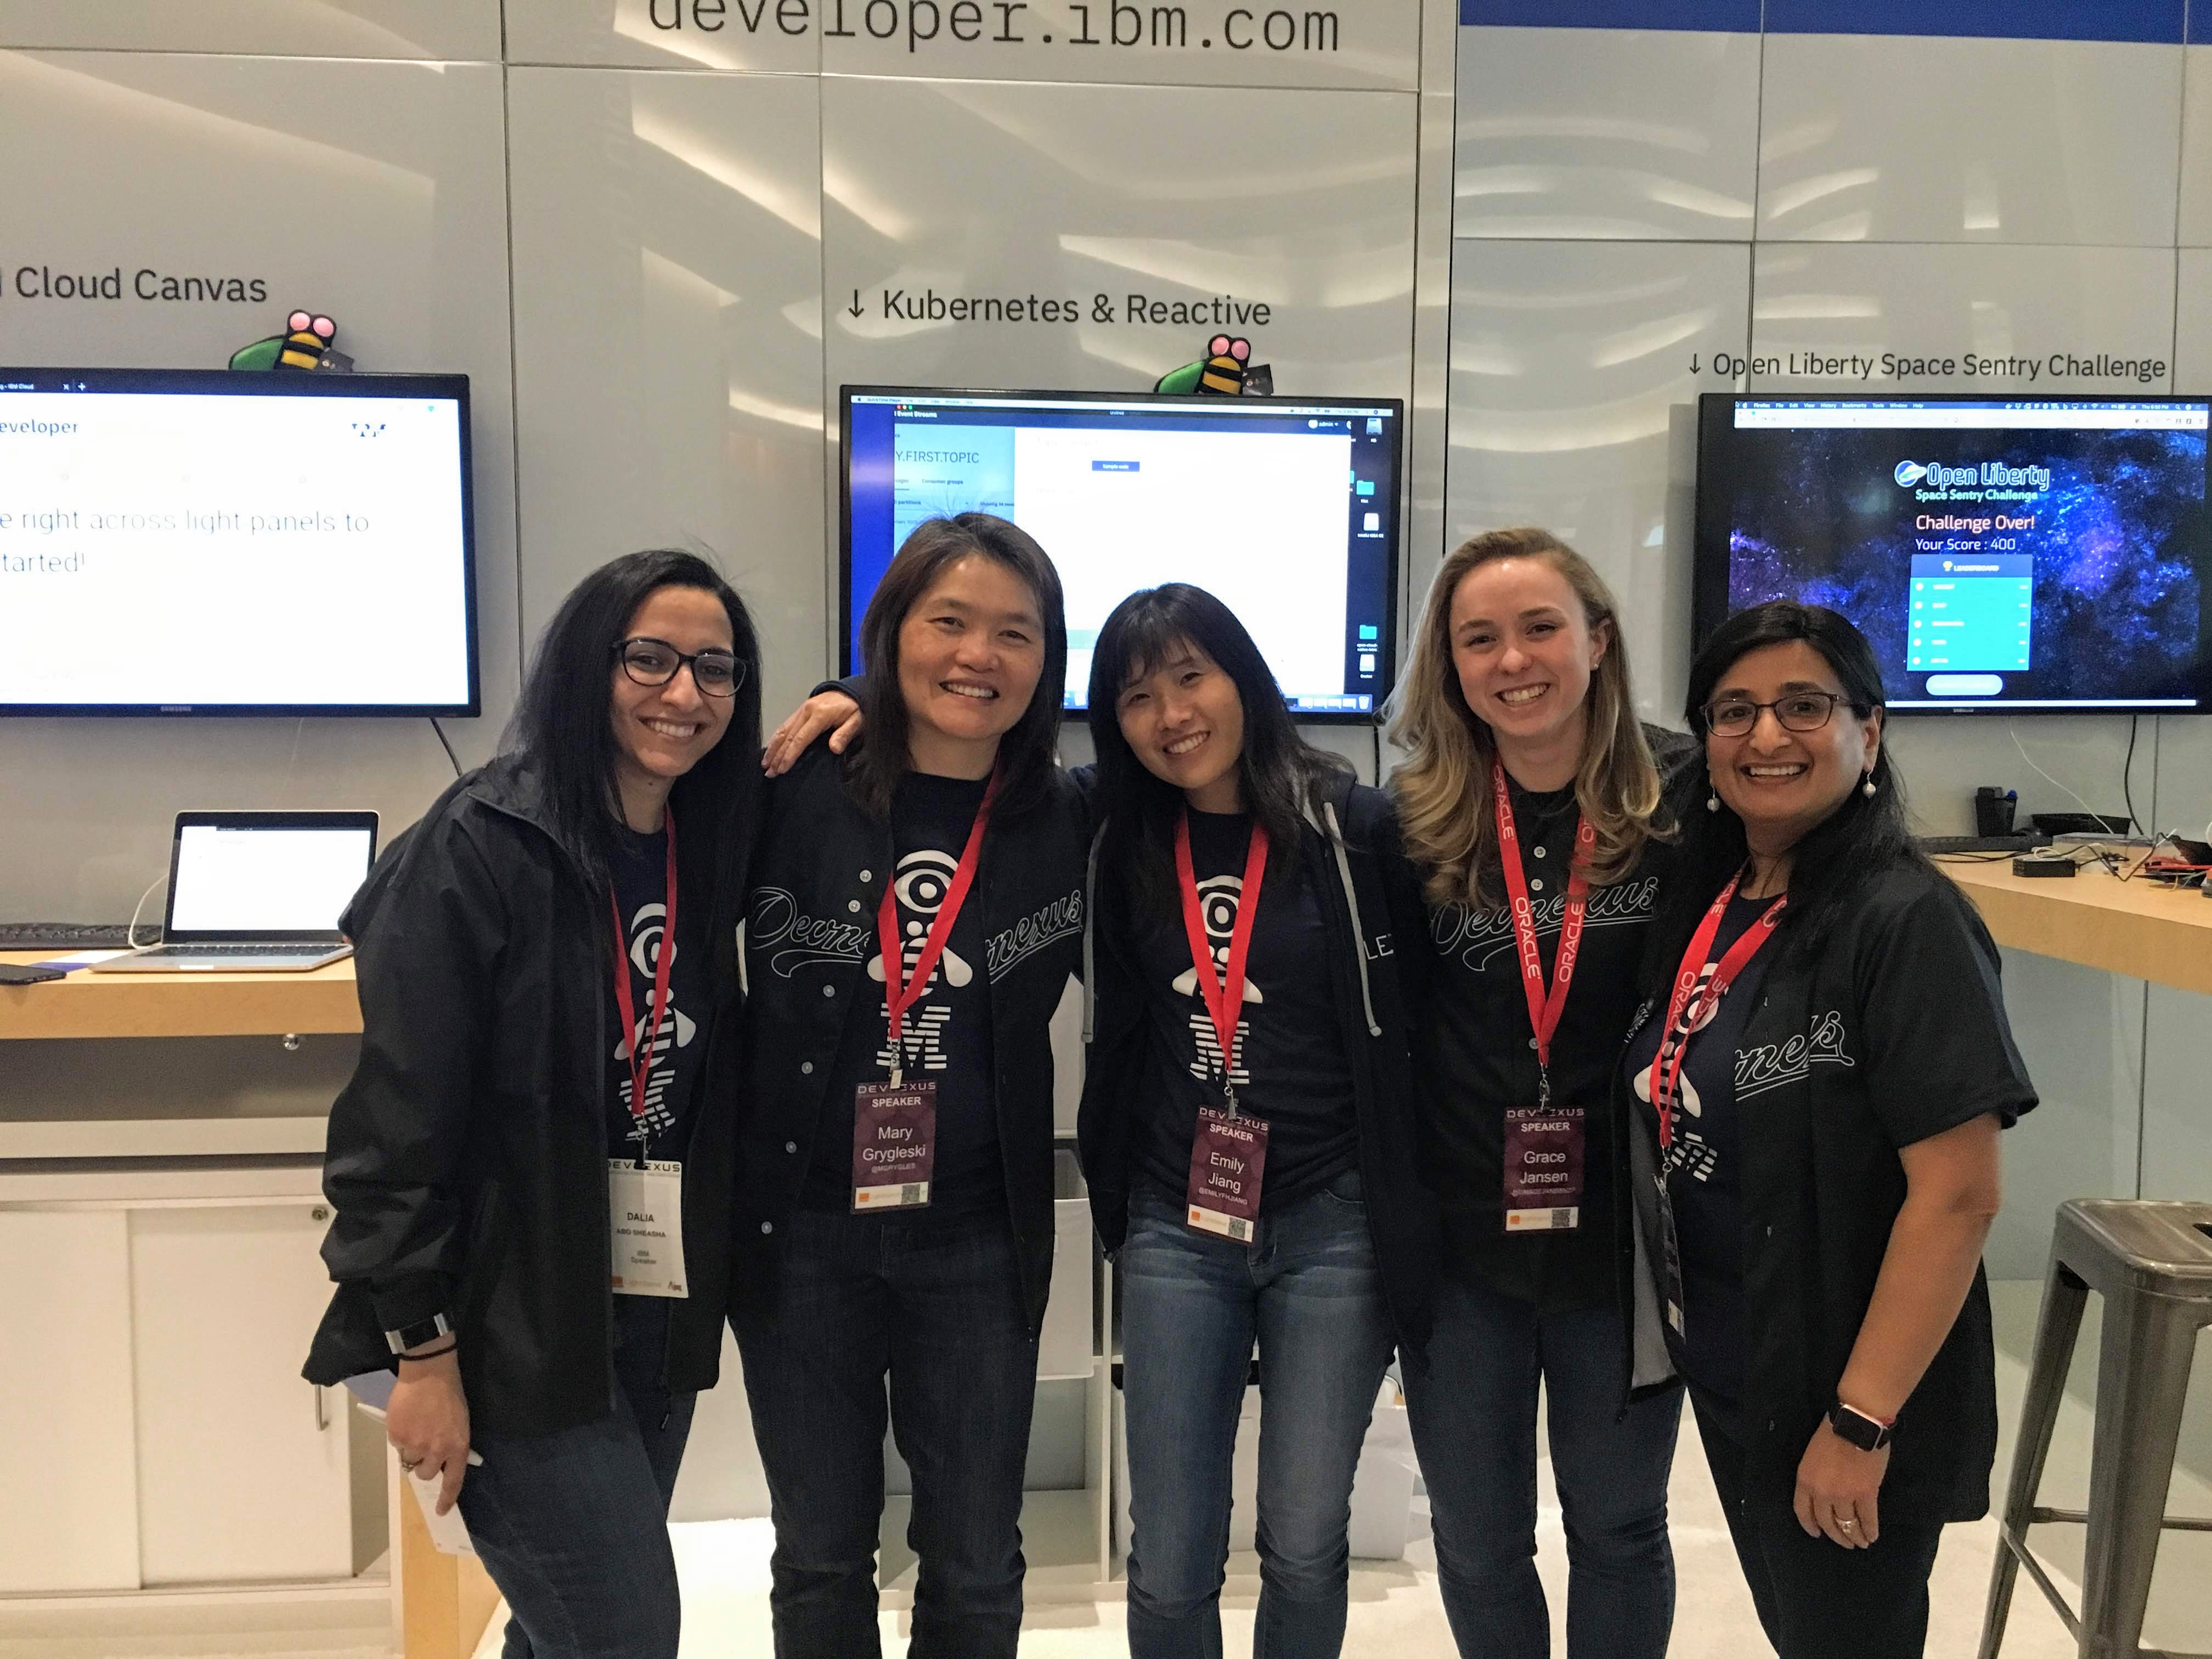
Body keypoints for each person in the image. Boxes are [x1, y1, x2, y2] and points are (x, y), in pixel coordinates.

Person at [303, 550, 764, 1659]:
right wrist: (421, 1356)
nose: (684, 695)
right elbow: (390, 1135)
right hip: (502, 1324)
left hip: (645, 1306)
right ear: (583, 669)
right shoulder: (478, 847)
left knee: (568, 1628)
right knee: (623, 1630)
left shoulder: (702, 840)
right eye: (648, 660)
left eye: (715, 668)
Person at [1622, 600, 2036, 1658]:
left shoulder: (1907, 919)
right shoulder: (1719, 894)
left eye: (1804, 706)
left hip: (1847, 1394)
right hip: (1734, 1357)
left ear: (1871, 730)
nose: (1766, 737)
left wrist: (1860, 1424)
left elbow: (1959, 1195)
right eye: (1734, 711)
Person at [729, 512, 1090, 1657]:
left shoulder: (1071, 818)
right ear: (892, 633)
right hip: (802, 1232)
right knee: (821, 1555)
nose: (978, 656)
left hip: (978, 1238)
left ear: (1048, 661)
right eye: (949, 622)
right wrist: (845, 694)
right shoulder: (790, 787)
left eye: (1014, 633)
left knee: (979, 1559)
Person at [1077, 584, 1437, 1657]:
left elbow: (1417, 1012)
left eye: (1193, 677)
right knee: (1175, 1544)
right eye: (1138, 695)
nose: (1172, 713)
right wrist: (848, 694)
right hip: (1175, 1222)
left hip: (1333, 1222)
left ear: (1245, 680)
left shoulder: (1354, 827)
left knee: (1305, 1537)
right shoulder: (1118, 837)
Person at [1384, 527, 1689, 1659]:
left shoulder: (1687, 798)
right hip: (1466, 1245)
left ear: (1598, 641)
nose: (1514, 660)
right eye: (1480, 639)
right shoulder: (1411, 821)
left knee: (1617, 1528)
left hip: (1625, 1242)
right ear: (1450, 666)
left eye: (1541, 627)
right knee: (1476, 1537)